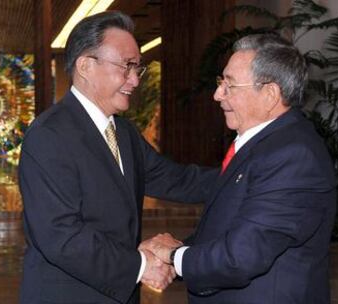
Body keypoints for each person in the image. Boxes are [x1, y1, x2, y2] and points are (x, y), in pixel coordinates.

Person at [18, 11, 217, 304]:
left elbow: (178, 180)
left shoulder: (123, 132)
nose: (135, 80)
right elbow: (61, 236)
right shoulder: (50, 135)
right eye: (126, 67)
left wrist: (246, 174)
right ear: (85, 65)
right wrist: (141, 265)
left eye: (138, 68)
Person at [140, 33, 337, 304]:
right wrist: (180, 253)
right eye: (221, 82)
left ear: (269, 94)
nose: (217, 94)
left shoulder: (293, 156)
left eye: (229, 85)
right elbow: (224, 228)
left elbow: (241, 256)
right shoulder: (264, 145)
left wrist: (174, 256)